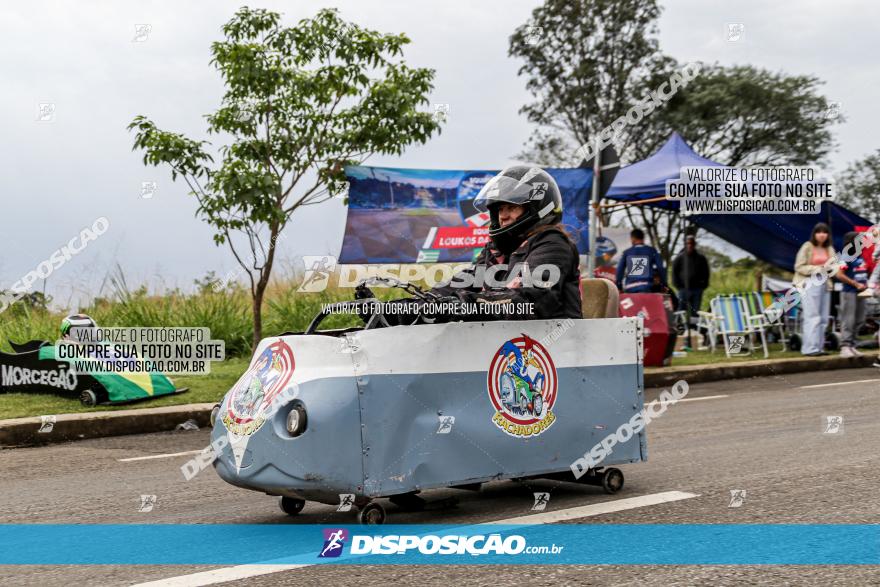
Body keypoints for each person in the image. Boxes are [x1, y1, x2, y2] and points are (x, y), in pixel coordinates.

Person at [357, 166, 582, 323]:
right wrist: (400, 309)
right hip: (503, 346)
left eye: (512, 207)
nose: (503, 216)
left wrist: (457, 304)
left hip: (555, 357)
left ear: (536, 207)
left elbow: (529, 303)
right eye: (500, 209)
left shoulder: (553, 245)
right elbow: (455, 288)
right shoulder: (496, 252)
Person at [793, 223, 838, 356]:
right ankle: (809, 349)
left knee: (823, 318)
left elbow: (834, 267)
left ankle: (819, 348)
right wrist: (817, 269)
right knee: (812, 317)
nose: (822, 234)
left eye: (825, 232)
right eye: (819, 232)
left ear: (828, 235)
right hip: (809, 284)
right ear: (814, 234)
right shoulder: (807, 246)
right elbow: (798, 266)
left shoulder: (829, 248)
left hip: (825, 284)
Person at [837, 231, 869, 357]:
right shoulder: (845, 256)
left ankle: (852, 345)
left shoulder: (860, 256)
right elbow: (839, 275)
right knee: (848, 320)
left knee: (860, 319)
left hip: (862, 293)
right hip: (849, 292)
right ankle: (844, 347)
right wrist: (855, 284)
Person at [615, 229, 667, 294]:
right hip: (647, 287)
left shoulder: (627, 253)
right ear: (643, 238)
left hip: (630, 287)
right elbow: (660, 267)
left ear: (632, 238)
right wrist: (663, 284)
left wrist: (618, 286)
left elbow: (619, 270)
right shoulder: (651, 251)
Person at [672, 235, 710, 318]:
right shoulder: (679, 258)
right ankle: (679, 327)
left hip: (697, 290)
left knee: (695, 311)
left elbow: (706, 273)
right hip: (683, 289)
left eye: (691, 243)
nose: (689, 245)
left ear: (694, 244)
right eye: (688, 243)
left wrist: (703, 286)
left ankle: (694, 328)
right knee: (681, 310)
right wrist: (678, 286)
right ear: (685, 244)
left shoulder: (701, 258)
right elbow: (674, 273)